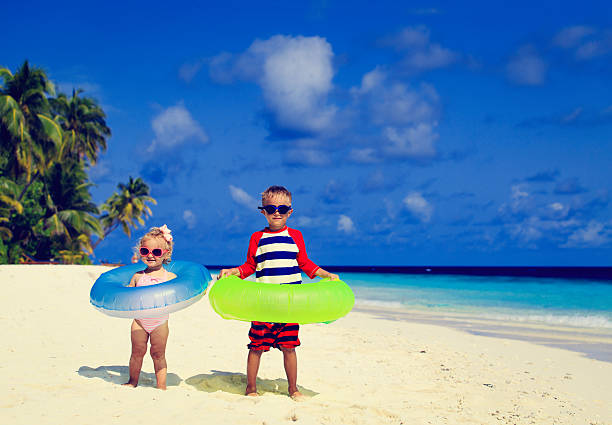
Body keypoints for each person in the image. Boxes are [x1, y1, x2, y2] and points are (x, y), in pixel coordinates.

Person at [219, 185, 339, 400]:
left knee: (289, 346)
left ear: (289, 212)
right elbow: (249, 266)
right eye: (271, 208)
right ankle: (251, 387)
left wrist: (325, 274)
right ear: (263, 211)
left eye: (282, 209)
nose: (277, 213)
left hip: (289, 305)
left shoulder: (296, 236)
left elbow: (304, 263)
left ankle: (293, 388)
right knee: (256, 346)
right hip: (263, 303)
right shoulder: (257, 237)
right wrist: (233, 272)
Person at [123, 224, 176, 390]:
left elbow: (183, 292)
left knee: (158, 354)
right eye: (145, 251)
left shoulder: (170, 277)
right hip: (139, 321)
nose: (151, 256)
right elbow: (127, 296)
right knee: (137, 353)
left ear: (165, 254)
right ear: (140, 252)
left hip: (160, 322)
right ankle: (133, 381)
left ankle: (161, 386)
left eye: (157, 252)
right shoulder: (138, 276)